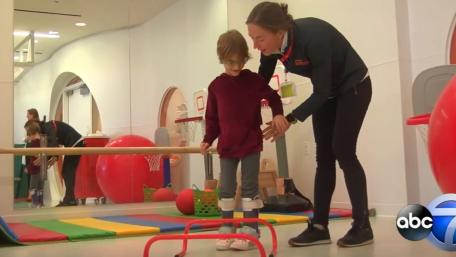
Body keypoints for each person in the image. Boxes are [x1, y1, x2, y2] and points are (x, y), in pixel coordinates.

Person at [246, 2, 373, 248]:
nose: (255, 45)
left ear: (278, 31)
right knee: (323, 157)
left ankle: (362, 226)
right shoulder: (270, 46)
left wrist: (290, 119)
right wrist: (244, 104)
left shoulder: (313, 37)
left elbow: (322, 91)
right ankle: (319, 227)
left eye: (259, 38)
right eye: (252, 38)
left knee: (343, 151)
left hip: (353, 86)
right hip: (328, 93)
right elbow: (262, 78)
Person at [200, 30, 286, 251]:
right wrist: (207, 139)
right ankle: (226, 227)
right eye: (231, 63)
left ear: (245, 58)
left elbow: (274, 97)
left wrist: (277, 114)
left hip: (250, 144)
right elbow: (212, 118)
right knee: (227, 188)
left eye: (240, 61)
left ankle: (250, 229)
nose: (237, 67)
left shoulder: (253, 81)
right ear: (222, 59)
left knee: (249, 187)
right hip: (227, 146)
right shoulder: (216, 86)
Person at [24, 119, 85, 206]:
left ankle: (70, 200)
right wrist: (53, 157)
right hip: (73, 144)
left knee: (68, 171)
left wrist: (46, 158)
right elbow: (54, 144)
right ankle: (69, 199)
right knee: (66, 172)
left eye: (30, 132)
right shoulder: (44, 131)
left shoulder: (48, 126)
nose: (30, 135)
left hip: (76, 143)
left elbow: (53, 145)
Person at [24, 121, 45, 208]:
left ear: (32, 133)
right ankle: (41, 203)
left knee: (33, 187)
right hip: (42, 169)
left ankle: (35, 203)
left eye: (29, 135)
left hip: (35, 169)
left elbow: (35, 159)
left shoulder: (34, 143)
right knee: (40, 187)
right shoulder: (42, 140)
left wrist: (28, 168)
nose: (28, 137)